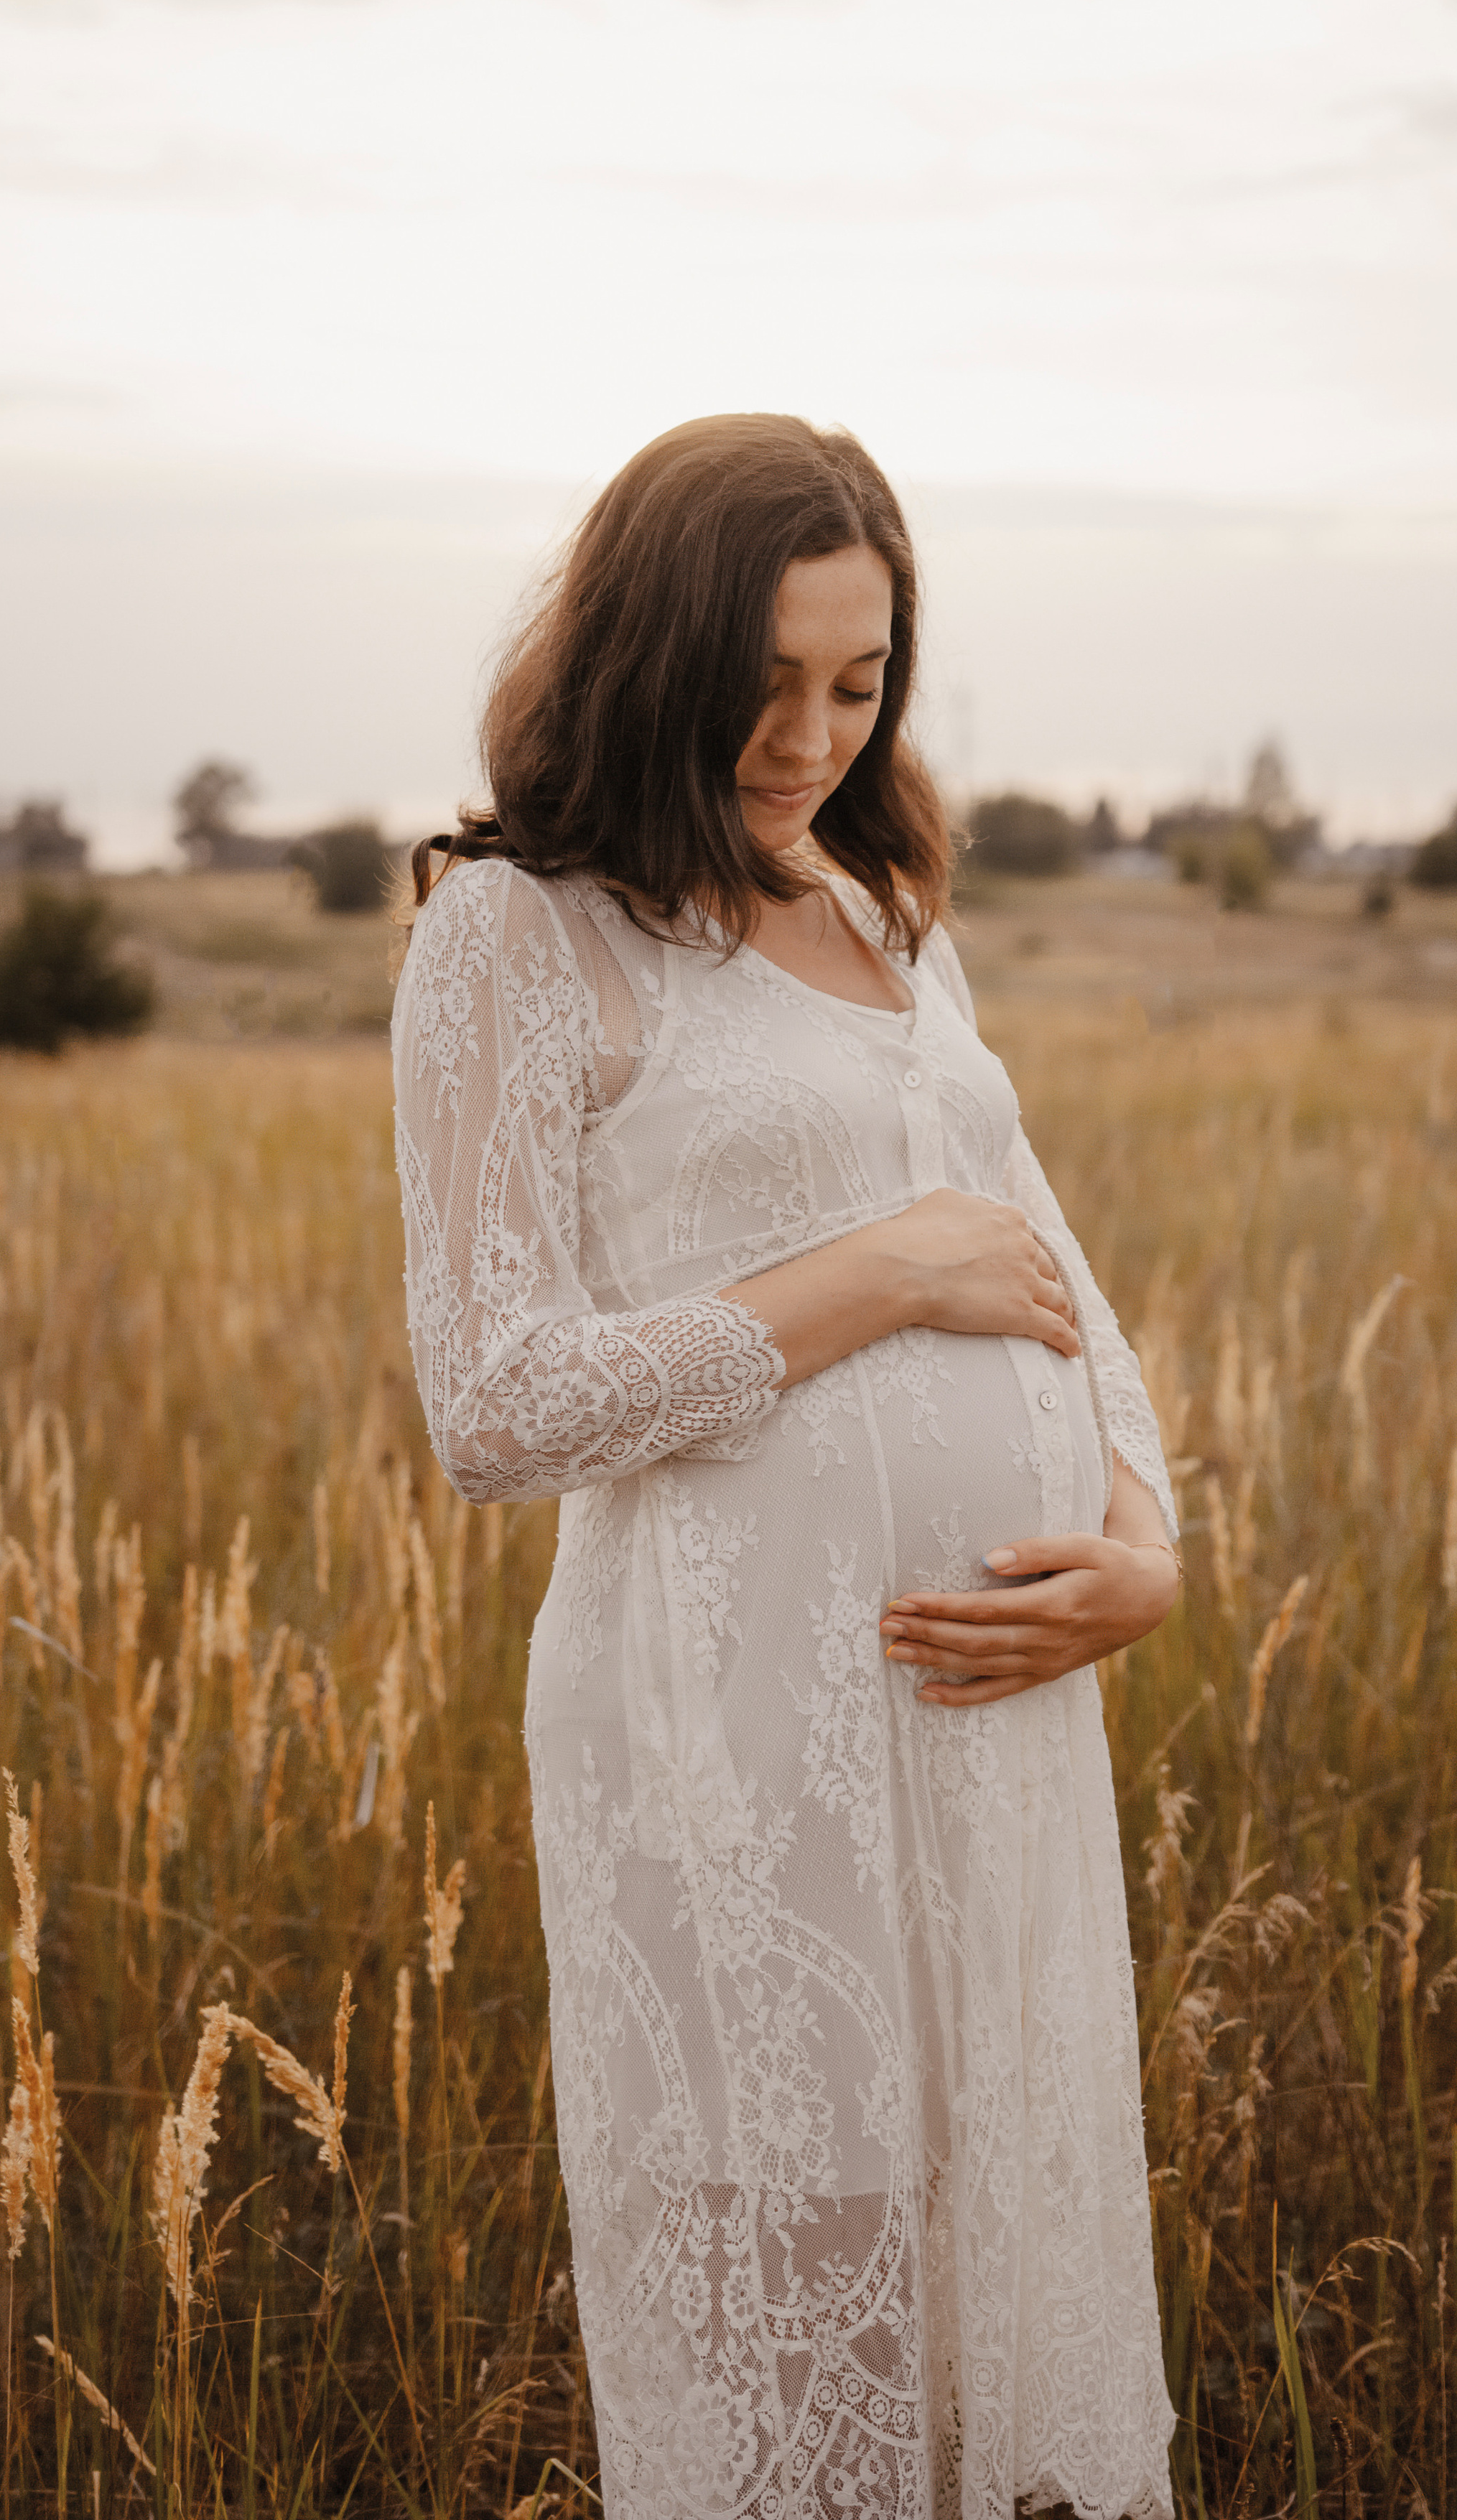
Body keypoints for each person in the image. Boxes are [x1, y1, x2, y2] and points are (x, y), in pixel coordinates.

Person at [392, 414, 1180, 2519]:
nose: (812, 733)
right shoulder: (518, 937)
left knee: (992, 2283)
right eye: (767, 680)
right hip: (733, 1745)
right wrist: (865, 1272)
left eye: (859, 681)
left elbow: (1049, 1271)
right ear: (655, 648)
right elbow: (495, 1404)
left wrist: (1146, 1542)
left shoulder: (881, 900)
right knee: (796, 2300)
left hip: (991, 1726)